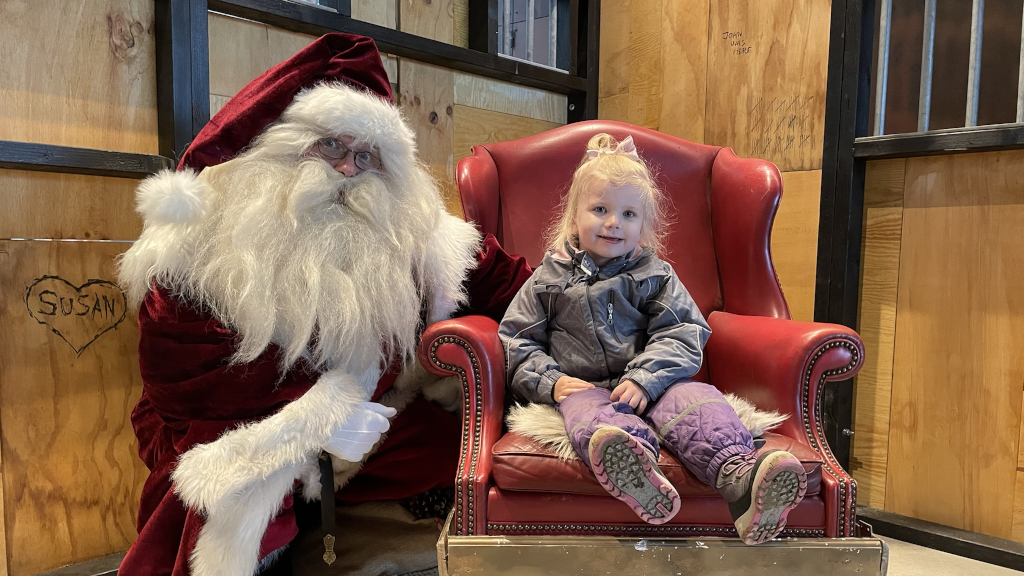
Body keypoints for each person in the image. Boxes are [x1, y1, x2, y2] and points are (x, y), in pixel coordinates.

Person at [117, 33, 531, 576]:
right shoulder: (200, 239)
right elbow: (180, 379)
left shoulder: (424, 238)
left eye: (366, 156)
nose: (347, 170)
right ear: (283, 145)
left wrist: (615, 294)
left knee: (447, 441)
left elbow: (525, 289)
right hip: (245, 423)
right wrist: (318, 420)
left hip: (377, 425)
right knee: (223, 495)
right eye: (331, 146)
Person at [498, 133, 807, 545]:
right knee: (590, 419)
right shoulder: (547, 279)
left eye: (628, 214)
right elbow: (516, 339)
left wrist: (646, 378)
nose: (613, 223)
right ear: (574, 218)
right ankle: (634, 465)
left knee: (697, 403)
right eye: (600, 209)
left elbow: (683, 330)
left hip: (654, 384)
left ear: (643, 226)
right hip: (583, 387)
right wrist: (551, 382)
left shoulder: (655, 274)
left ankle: (744, 479)